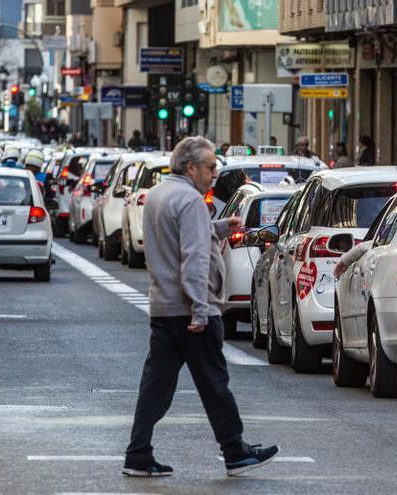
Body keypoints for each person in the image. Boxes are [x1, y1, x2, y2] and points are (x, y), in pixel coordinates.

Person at [124, 136, 279, 478]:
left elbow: (178, 236)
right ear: (191, 167)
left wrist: (219, 228)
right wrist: (200, 308)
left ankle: (138, 453)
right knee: (214, 383)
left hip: (163, 307)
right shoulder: (191, 201)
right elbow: (193, 257)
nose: (214, 173)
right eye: (210, 167)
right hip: (192, 310)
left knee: (156, 386)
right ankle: (235, 451)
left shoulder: (160, 195)